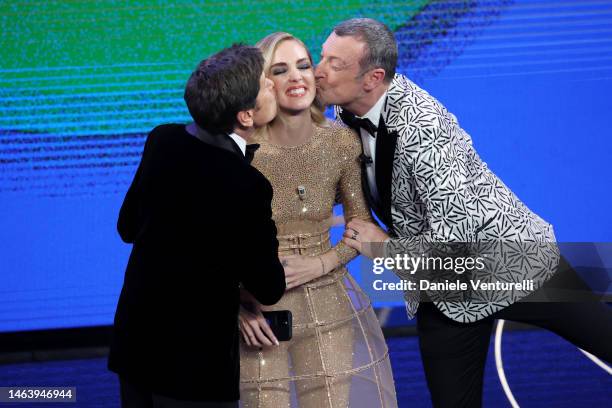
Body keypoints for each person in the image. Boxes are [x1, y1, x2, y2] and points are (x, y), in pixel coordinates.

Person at [315, 18, 612, 408]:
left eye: (334, 64)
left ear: (373, 78)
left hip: (509, 260)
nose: (318, 70)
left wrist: (385, 249)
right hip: (445, 291)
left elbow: (458, 243)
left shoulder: (425, 128)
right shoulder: (347, 111)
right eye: (322, 56)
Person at [108, 44, 286, 408]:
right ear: (246, 116)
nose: (274, 84)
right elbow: (268, 287)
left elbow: (128, 227)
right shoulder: (247, 185)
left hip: (137, 346)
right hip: (194, 366)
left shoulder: (162, 139)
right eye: (266, 83)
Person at [237, 32, 398, 408]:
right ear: (264, 84)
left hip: (329, 305)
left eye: (304, 65)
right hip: (260, 313)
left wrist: (319, 264)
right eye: (280, 69)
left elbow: (359, 226)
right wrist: (238, 306)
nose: (296, 76)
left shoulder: (341, 142)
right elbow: (210, 244)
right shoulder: (242, 150)